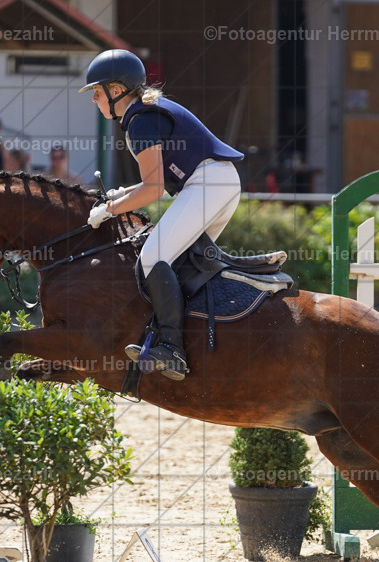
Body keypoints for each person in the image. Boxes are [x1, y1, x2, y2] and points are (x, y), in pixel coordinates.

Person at [79, 49, 244, 381]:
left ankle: (172, 348)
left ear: (115, 91)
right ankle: (191, 338)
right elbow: (149, 182)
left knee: (153, 258)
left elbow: (153, 191)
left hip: (208, 184)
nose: (94, 99)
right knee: (182, 262)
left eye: (97, 92)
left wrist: (109, 211)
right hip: (217, 183)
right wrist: (118, 195)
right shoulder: (144, 113)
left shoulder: (141, 122)